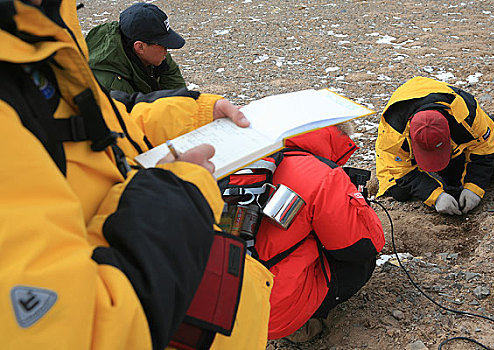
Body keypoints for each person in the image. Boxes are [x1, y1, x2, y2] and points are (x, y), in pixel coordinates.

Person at [0, 1, 272, 349]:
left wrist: (195, 114)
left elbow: (100, 120)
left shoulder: (35, 31)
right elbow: (79, 332)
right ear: (140, 47)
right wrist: (178, 192)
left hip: (197, 309)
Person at [242, 125, 385, 342]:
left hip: (220, 304)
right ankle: (303, 323)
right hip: (272, 312)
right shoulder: (322, 175)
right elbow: (362, 246)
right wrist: (358, 206)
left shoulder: (249, 162)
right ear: (339, 134)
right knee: (359, 262)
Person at [375, 76, 494, 215]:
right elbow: (401, 171)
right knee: (399, 192)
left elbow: (485, 147)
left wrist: (474, 188)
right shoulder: (393, 134)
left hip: (449, 116)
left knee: (456, 179)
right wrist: (436, 196)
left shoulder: (467, 114)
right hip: (401, 129)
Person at [86, 2, 187, 94]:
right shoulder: (111, 86)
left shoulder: (156, 56)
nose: (167, 50)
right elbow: (135, 113)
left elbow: (179, 97)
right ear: (140, 47)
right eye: (163, 44)